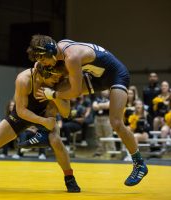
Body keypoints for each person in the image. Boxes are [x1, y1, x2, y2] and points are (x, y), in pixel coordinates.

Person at [27, 35, 148, 186]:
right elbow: (48, 65)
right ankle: (44, 132)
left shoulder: (71, 57)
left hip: (116, 75)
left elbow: (75, 92)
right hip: (95, 75)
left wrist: (53, 95)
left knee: (116, 122)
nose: (44, 64)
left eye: (44, 60)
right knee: (57, 87)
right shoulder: (58, 48)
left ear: (51, 52)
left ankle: (139, 163)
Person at [0, 61, 81, 193]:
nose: (57, 79)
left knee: (56, 141)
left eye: (58, 77)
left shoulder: (60, 81)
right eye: (54, 77)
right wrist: (42, 121)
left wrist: (53, 96)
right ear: (43, 74)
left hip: (46, 115)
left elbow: (66, 113)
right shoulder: (24, 79)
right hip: (23, 115)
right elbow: (21, 111)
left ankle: (69, 178)